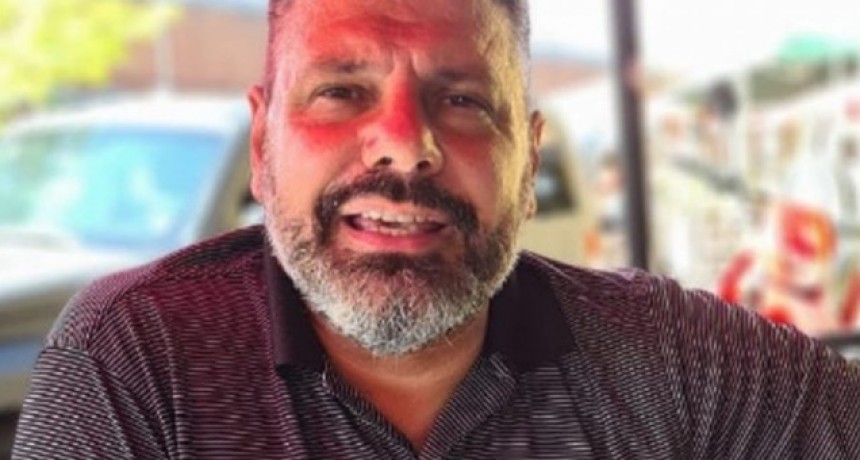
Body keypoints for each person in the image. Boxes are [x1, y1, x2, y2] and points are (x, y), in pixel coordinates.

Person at [12, 0, 860, 458]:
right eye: (342, 91)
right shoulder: (136, 358)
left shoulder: (673, 360)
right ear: (263, 147)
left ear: (529, 162)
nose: (405, 144)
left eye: (462, 99)